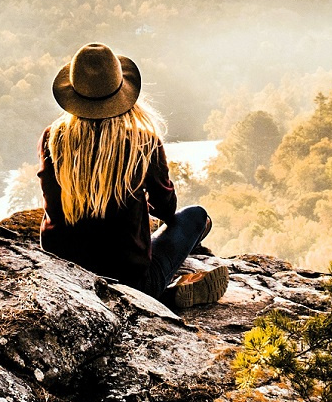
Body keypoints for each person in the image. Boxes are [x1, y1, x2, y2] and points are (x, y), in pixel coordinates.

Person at [38, 42, 220, 303]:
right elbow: (167, 210)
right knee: (196, 217)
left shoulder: (53, 138)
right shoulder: (141, 143)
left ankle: (164, 297)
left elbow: (50, 198)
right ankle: (162, 297)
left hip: (64, 275)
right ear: (121, 92)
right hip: (131, 282)